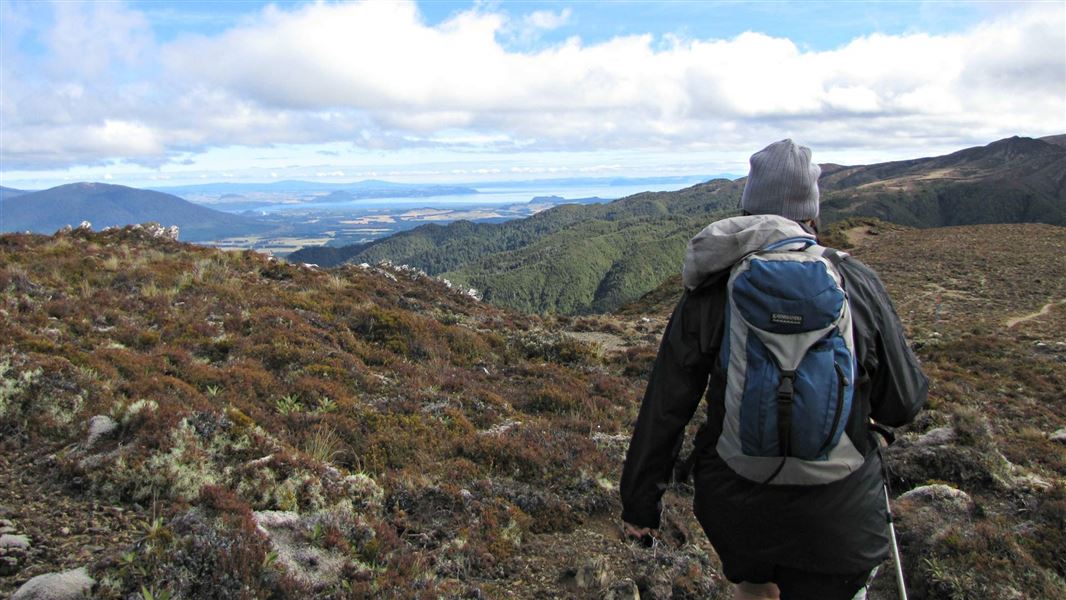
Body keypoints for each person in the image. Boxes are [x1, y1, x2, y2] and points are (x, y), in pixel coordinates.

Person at [619, 140, 928, 600]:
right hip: (839, 517)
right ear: (812, 210)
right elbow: (903, 403)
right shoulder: (856, 282)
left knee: (754, 586)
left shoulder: (714, 287)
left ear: (747, 206)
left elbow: (666, 406)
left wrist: (640, 505)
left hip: (739, 509)